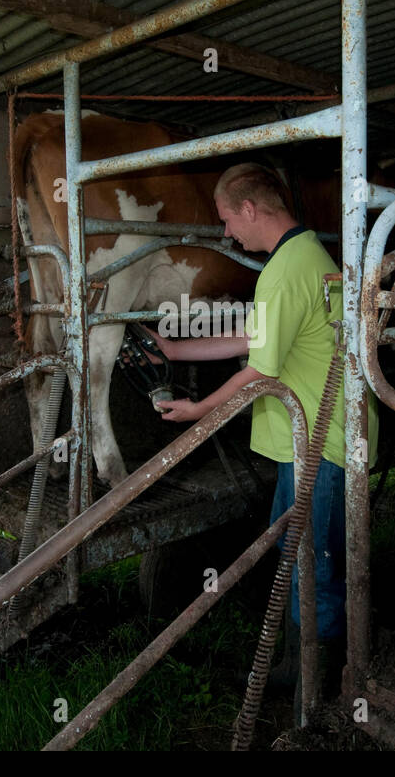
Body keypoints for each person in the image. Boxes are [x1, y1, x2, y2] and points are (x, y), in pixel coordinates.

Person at [143, 162, 377, 693]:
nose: (227, 232)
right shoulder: (301, 257)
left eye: (227, 219)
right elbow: (256, 339)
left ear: (250, 209)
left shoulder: (284, 270)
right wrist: (176, 349)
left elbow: (260, 370)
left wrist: (197, 411)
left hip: (321, 443)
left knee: (312, 565)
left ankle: (316, 687)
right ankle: (302, 668)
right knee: (295, 551)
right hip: (316, 438)